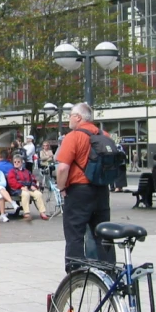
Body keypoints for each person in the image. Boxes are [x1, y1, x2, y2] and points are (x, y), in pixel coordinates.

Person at [55, 102, 116, 273]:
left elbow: (62, 167)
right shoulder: (105, 135)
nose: (69, 118)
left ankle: (75, 272)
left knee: (75, 233)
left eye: (71, 115)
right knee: (103, 232)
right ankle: (109, 270)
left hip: (79, 190)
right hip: (102, 189)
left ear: (78, 117)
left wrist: (61, 188)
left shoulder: (73, 137)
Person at [7, 154, 49, 220]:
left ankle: (42, 212)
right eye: (15, 162)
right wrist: (21, 187)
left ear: (21, 162)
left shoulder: (26, 171)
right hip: (16, 189)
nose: (16, 163)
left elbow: (33, 179)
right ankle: (26, 213)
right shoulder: (12, 171)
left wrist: (33, 185)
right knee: (25, 194)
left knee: (38, 194)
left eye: (18, 162)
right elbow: (12, 182)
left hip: (28, 188)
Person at [0, 157, 15, 222]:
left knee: (0, 195)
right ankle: (12, 203)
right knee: (0, 189)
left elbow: (4, 183)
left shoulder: (0, 172)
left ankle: (2, 215)